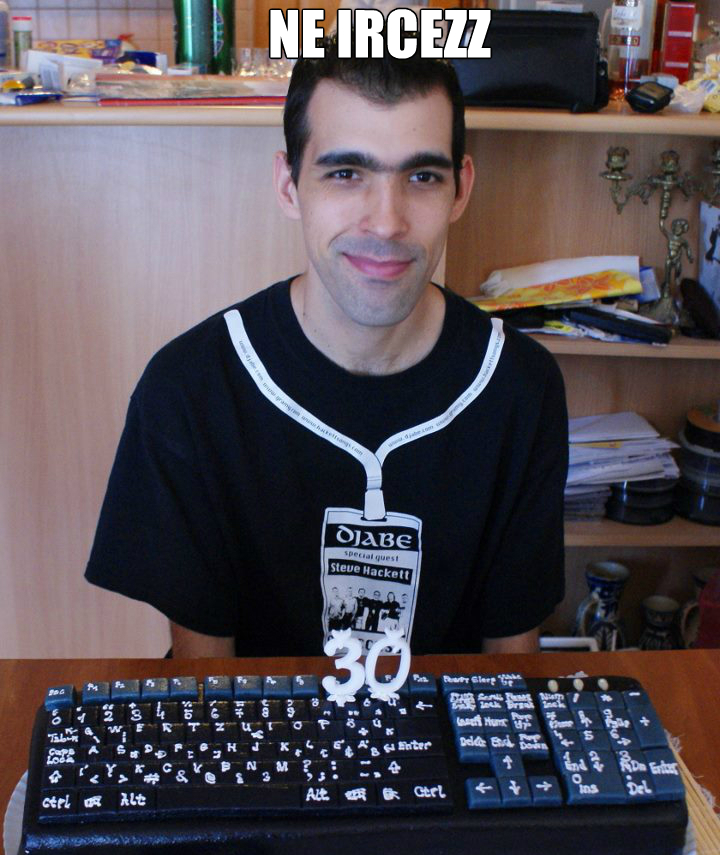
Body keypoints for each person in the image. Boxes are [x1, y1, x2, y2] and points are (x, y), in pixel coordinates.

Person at [85, 36, 568, 658]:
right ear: (289, 186)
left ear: (461, 189)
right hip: (255, 719)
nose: (387, 221)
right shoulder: (189, 390)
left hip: (443, 721)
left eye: (422, 176)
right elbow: (206, 684)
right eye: (345, 174)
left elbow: (509, 677)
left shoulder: (520, 386)